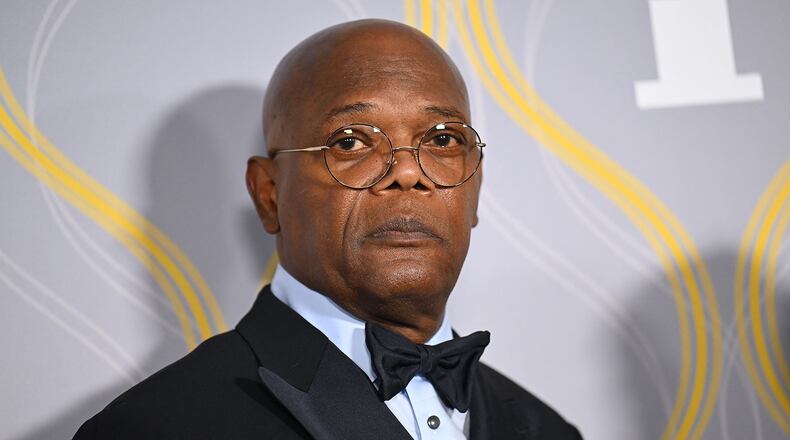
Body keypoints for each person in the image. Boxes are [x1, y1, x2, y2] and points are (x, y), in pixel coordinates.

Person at [73, 18, 582, 439]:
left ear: (474, 189)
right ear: (269, 195)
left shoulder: (548, 430)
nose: (408, 172)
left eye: (444, 139)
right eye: (350, 142)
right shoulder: (154, 427)